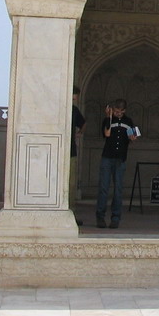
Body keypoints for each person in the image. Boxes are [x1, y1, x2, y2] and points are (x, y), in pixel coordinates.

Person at [95, 98, 139, 229]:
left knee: (118, 190)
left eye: (120, 112)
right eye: (116, 111)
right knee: (104, 188)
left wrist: (133, 137)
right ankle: (100, 216)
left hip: (120, 159)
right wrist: (109, 117)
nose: (118, 114)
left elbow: (133, 137)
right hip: (107, 157)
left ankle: (115, 217)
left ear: (124, 111)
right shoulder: (108, 120)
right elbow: (107, 133)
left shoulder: (128, 121)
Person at [70, 86, 86, 225]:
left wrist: (79, 133)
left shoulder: (74, 110)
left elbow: (83, 123)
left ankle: (71, 212)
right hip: (58, 151)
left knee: (71, 183)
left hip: (71, 150)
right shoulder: (60, 109)